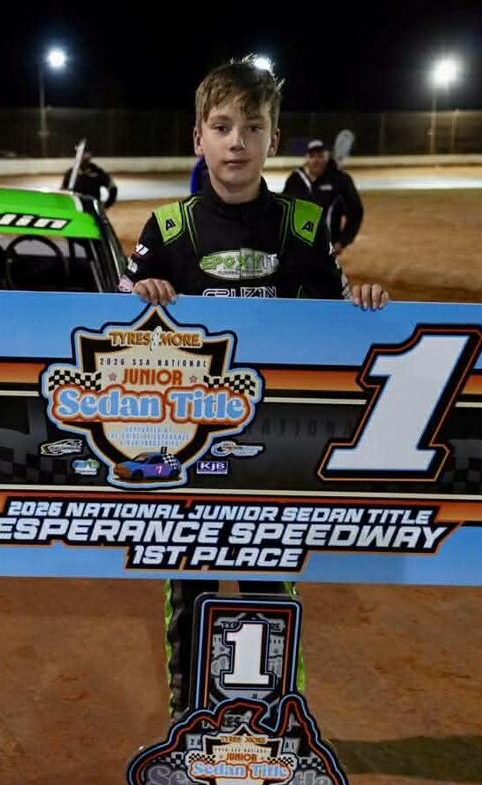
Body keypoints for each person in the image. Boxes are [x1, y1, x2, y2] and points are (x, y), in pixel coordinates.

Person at [122, 57, 388, 717]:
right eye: (221, 127)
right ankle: (188, 725)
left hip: (275, 456)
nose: (236, 142)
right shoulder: (168, 229)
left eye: (252, 127)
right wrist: (138, 296)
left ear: (274, 138)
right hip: (187, 453)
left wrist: (364, 308)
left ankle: (276, 725)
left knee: (271, 592)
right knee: (190, 595)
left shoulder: (304, 227)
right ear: (198, 138)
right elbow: (113, 336)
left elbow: (337, 332)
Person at [283, 138, 363, 254]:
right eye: (312, 156)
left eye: (320, 156)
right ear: (306, 158)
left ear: (327, 156)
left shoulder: (340, 180)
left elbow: (355, 212)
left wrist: (342, 241)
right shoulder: (295, 180)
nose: (316, 161)